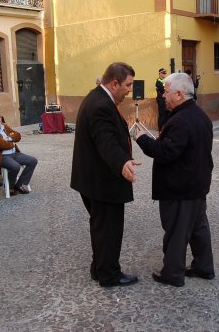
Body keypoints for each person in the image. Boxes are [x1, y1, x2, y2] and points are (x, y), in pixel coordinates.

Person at [134, 72, 214, 288]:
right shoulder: (199, 115)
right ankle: (204, 267)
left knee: (177, 231)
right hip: (197, 184)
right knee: (198, 230)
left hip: (180, 187)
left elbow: (165, 152)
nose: (163, 97)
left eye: (166, 92)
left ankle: (172, 273)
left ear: (179, 94)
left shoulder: (180, 120)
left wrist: (141, 139)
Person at [70, 62, 140, 288]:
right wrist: (122, 163)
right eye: (128, 85)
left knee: (101, 227)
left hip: (92, 180)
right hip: (103, 183)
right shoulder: (101, 105)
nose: (130, 90)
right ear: (114, 83)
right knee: (109, 229)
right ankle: (109, 275)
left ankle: (98, 268)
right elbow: (105, 142)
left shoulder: (97, 97)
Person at [0, 108, 37, 195]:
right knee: (15, 166)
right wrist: (12, 142)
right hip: (1, 156)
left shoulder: (4, 125)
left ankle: (19, 185)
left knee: (32, 160)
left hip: (14, 153)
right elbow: (1, 145)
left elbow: (18, 136)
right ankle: (10, 187)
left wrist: (7, 139)